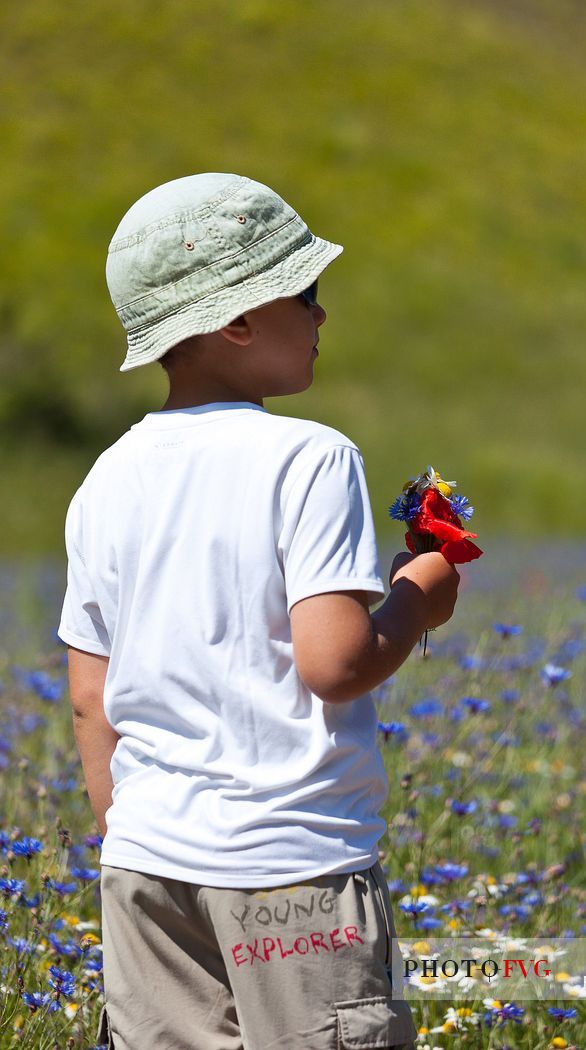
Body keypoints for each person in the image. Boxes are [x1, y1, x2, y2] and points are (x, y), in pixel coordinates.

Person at [58, 173, 460, 1050]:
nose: (322, 315)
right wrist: (416, 601)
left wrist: (135, 832)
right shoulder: (309, 459)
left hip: (146, 869)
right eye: (306, 295)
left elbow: (91, 692)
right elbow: (335, 663)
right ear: (238, 322)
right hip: (293, 872)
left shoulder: (106, 478)